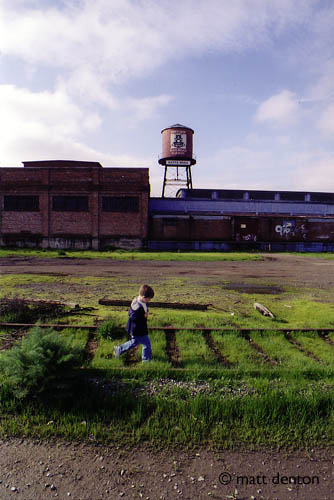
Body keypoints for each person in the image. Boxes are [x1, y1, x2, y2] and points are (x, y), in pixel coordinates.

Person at [114, 284, 155, 362]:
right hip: (138, 329)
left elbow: (144, 307)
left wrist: (146, 312)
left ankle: (119, 350)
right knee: (147, 344)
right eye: (149, 299)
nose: (149, 301)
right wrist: (144, 316)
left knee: (134, 342)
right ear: (143, 297)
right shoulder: (137, 308)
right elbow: (134, 318)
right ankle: (146, 360)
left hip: (137, 329)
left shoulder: (139, 299)